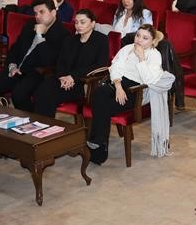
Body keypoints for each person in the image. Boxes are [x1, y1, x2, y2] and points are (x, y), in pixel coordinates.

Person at [87, 24, 165, 165]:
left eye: (145, 38)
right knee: (99, 93)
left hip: (136, 90)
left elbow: (148, 80)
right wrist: (118, 86)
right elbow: (115, 67)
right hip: (118, 83)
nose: (139, 40)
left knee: (103, 106)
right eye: (138, 35)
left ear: (153, 41)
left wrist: (141, 58)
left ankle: (98, 144)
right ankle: (99, 142)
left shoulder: (155, 55)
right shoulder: (127, 48)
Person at [0, 0, 67, 110]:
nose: (37, 16)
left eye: (42, 12)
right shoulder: (30, 25)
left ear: (53, 13)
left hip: (37, 74)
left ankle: (32, 119)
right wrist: (12, 65)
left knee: (18, 95)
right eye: (35, 13)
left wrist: (40, 35)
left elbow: (48, 60)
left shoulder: (63, 34)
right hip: (17, 70)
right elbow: (16, 48)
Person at [33, 9, 110, 118]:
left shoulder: (101, 40)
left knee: (49, 96)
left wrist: (73, 77)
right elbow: (61, 62)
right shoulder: (70, 40)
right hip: (63, 80)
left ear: (93, 23)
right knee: (42, 89)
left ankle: (45, 125)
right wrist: (62, 77)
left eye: (83, 22)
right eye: (76, 22)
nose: (79, 25)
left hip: (82, 83)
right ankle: (39, 124)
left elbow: (100, 65)